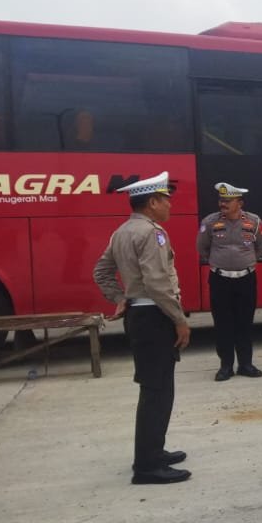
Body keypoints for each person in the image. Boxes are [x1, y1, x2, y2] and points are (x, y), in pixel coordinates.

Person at [92, 171, 192, 485]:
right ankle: (147, 466)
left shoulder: (122, 231)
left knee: (157, 388)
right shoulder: (152, 233)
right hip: (155, 318)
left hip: (140, 316)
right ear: (152, 202)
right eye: (166, 200)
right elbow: (158, 283)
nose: (170, 206)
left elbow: (101, 272)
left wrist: (120, 297)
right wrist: (179, 319)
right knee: (157, 391)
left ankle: (154, 451)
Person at [197, 182, 262, 382]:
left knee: (245, 323)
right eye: (221, 200)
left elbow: (260, 247)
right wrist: (222, 262)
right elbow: (203, 248)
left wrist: (243, 262)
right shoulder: (210, 222)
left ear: (240, 203)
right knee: (223, 325)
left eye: (228, 201)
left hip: (246, 280)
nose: (223, 204)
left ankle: (246, 364)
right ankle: (225, 367)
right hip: (220, 280)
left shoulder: (254, 221)